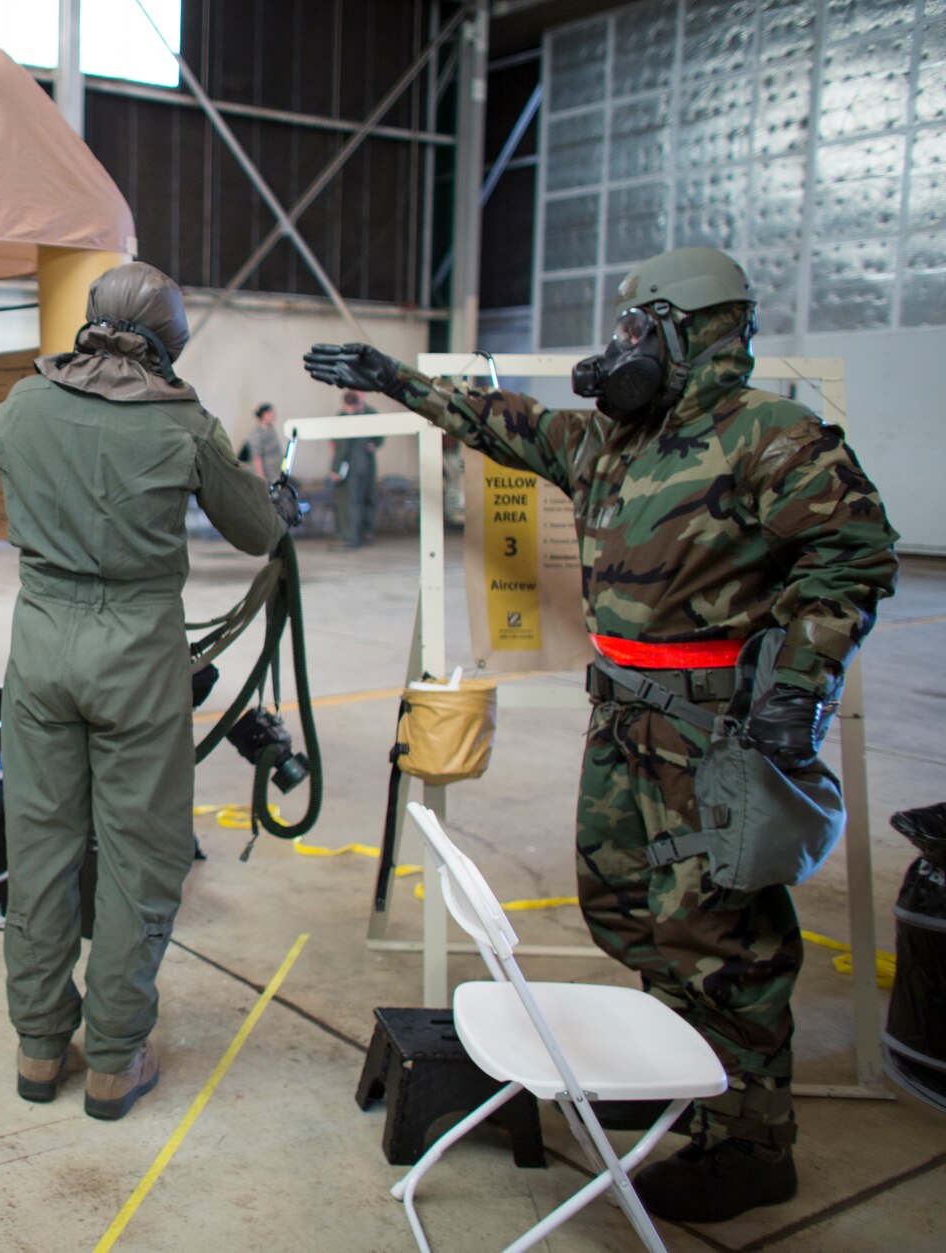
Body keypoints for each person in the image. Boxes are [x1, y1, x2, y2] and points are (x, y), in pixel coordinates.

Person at [304, 247, 899, 1222]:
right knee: (620, 907)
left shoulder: (767, 436)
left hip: (712, 737)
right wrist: (394, 378)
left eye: (633, 327)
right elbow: (506, 424)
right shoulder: (612, 441)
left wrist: (800, 671)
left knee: (722, 934)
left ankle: (751, 1143)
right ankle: (689, 1064)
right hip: (622, 720)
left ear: (687, 331)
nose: (616, 347)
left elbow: (853, 550)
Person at [0, 263, 301, 1121]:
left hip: (42, 641)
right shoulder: (182, 422)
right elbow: (257, 529)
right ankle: (115, 1058)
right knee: (138, 856)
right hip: (136, 653)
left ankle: (39, 1043)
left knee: (42, 848)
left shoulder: (22, 404)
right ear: (169, 342)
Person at [329, 389, 382, 549]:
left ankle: (348, 537)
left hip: (349, 466)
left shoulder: (352, 418)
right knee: (355, 500)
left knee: (348, 500)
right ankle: (355, 535)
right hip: (361, 465)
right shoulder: (352, 416)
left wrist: (335, 469)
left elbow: (342, 447)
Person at [248, 401, 283, 481]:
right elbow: (256, 456)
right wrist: (261, 475)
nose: (274, 416)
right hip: (267, 474)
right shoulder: (257, 433)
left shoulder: (271, 429)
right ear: (264, 414)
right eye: (271, 414)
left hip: (275, 473)